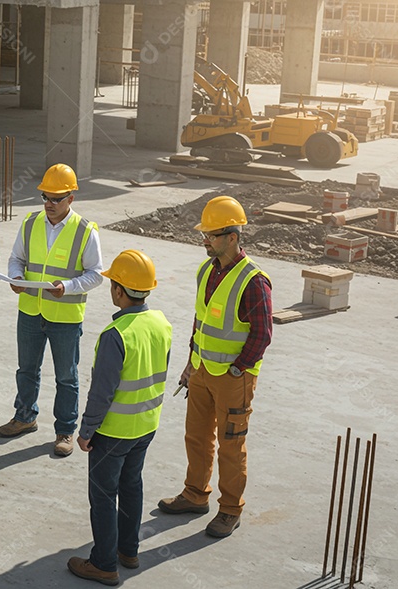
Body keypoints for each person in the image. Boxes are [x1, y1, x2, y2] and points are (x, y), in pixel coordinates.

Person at [157, 195, 273, 539]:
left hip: (233, 378)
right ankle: (195, 494)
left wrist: (239, 369)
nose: (205, 240)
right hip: (201, 370)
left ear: (232, 237)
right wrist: (190, 363)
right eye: (204, 234)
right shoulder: (206, 270)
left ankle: (230, 509)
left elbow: (262, 334)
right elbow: (201, 321)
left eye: (211, 235)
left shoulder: (254, 280)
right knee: (196, 436)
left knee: (230, 446)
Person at [66, 250, 172, 586]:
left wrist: (86, 430)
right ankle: (128, 551)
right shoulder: (161, 323)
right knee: (131, 486)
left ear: (119, 290)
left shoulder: (116, 335)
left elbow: (102, 392)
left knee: (102, 496)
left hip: (113, 432)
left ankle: (103, 563)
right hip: (146, 425)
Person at [0, 163, 104, 457]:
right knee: (26, 370)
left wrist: (67, 287)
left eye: (56, 199)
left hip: (65, 317)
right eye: (46, 197)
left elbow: (96, 274)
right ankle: (24, 417)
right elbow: (16, 259)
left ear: (71, 198)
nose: (49, 203)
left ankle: (65, 431)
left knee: (66, 377)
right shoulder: (30, 223)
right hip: (31, 311)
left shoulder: (85, 231)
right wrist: (16, 277)